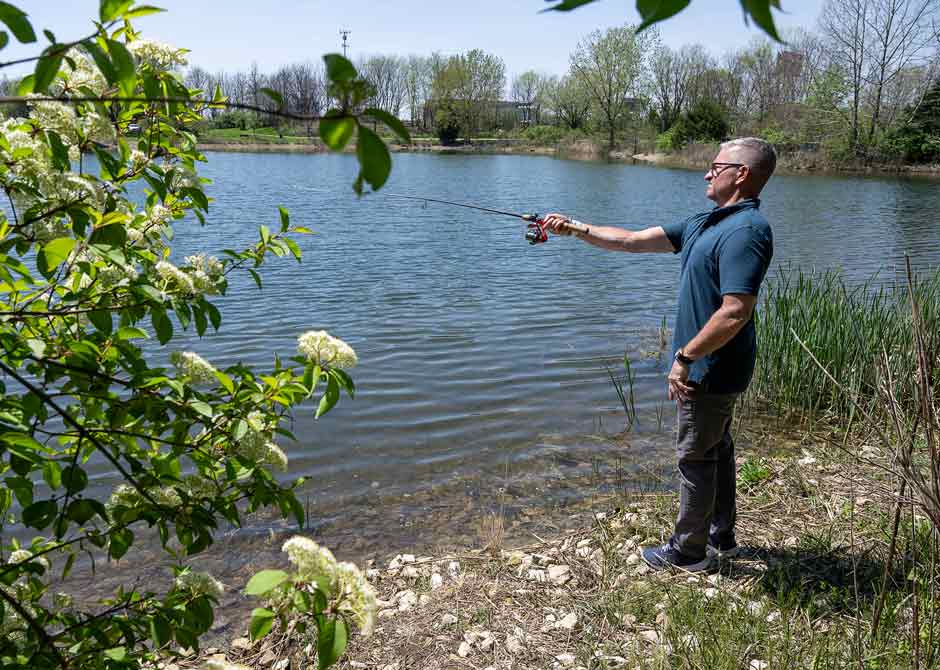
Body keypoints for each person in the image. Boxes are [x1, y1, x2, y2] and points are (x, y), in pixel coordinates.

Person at [542, 137, 776, 572]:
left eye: (715, 165)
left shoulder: (747, 231)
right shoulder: (706, 223)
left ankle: (688, 552)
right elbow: (630, 241)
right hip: (710, 364)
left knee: (695, 455)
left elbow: (736, 311)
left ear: (740, 174)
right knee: (717, 448)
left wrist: (685, 357)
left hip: (712, 366)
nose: (707, 173)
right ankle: (721, 536)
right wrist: (575, 228)